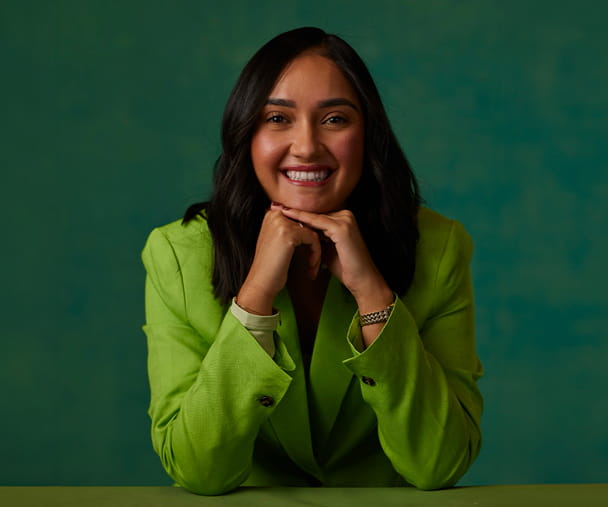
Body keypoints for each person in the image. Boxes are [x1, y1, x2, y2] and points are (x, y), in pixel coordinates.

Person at [141, 27, 483, 496]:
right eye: (277, 118)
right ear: (246, 134)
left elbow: (440, 465)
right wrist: (255, 296)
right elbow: (198, 470)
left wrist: (374, 297)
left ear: (369, 134)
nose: (306, 146)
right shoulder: (177, 255)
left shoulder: (439, 247)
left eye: (335, 119)